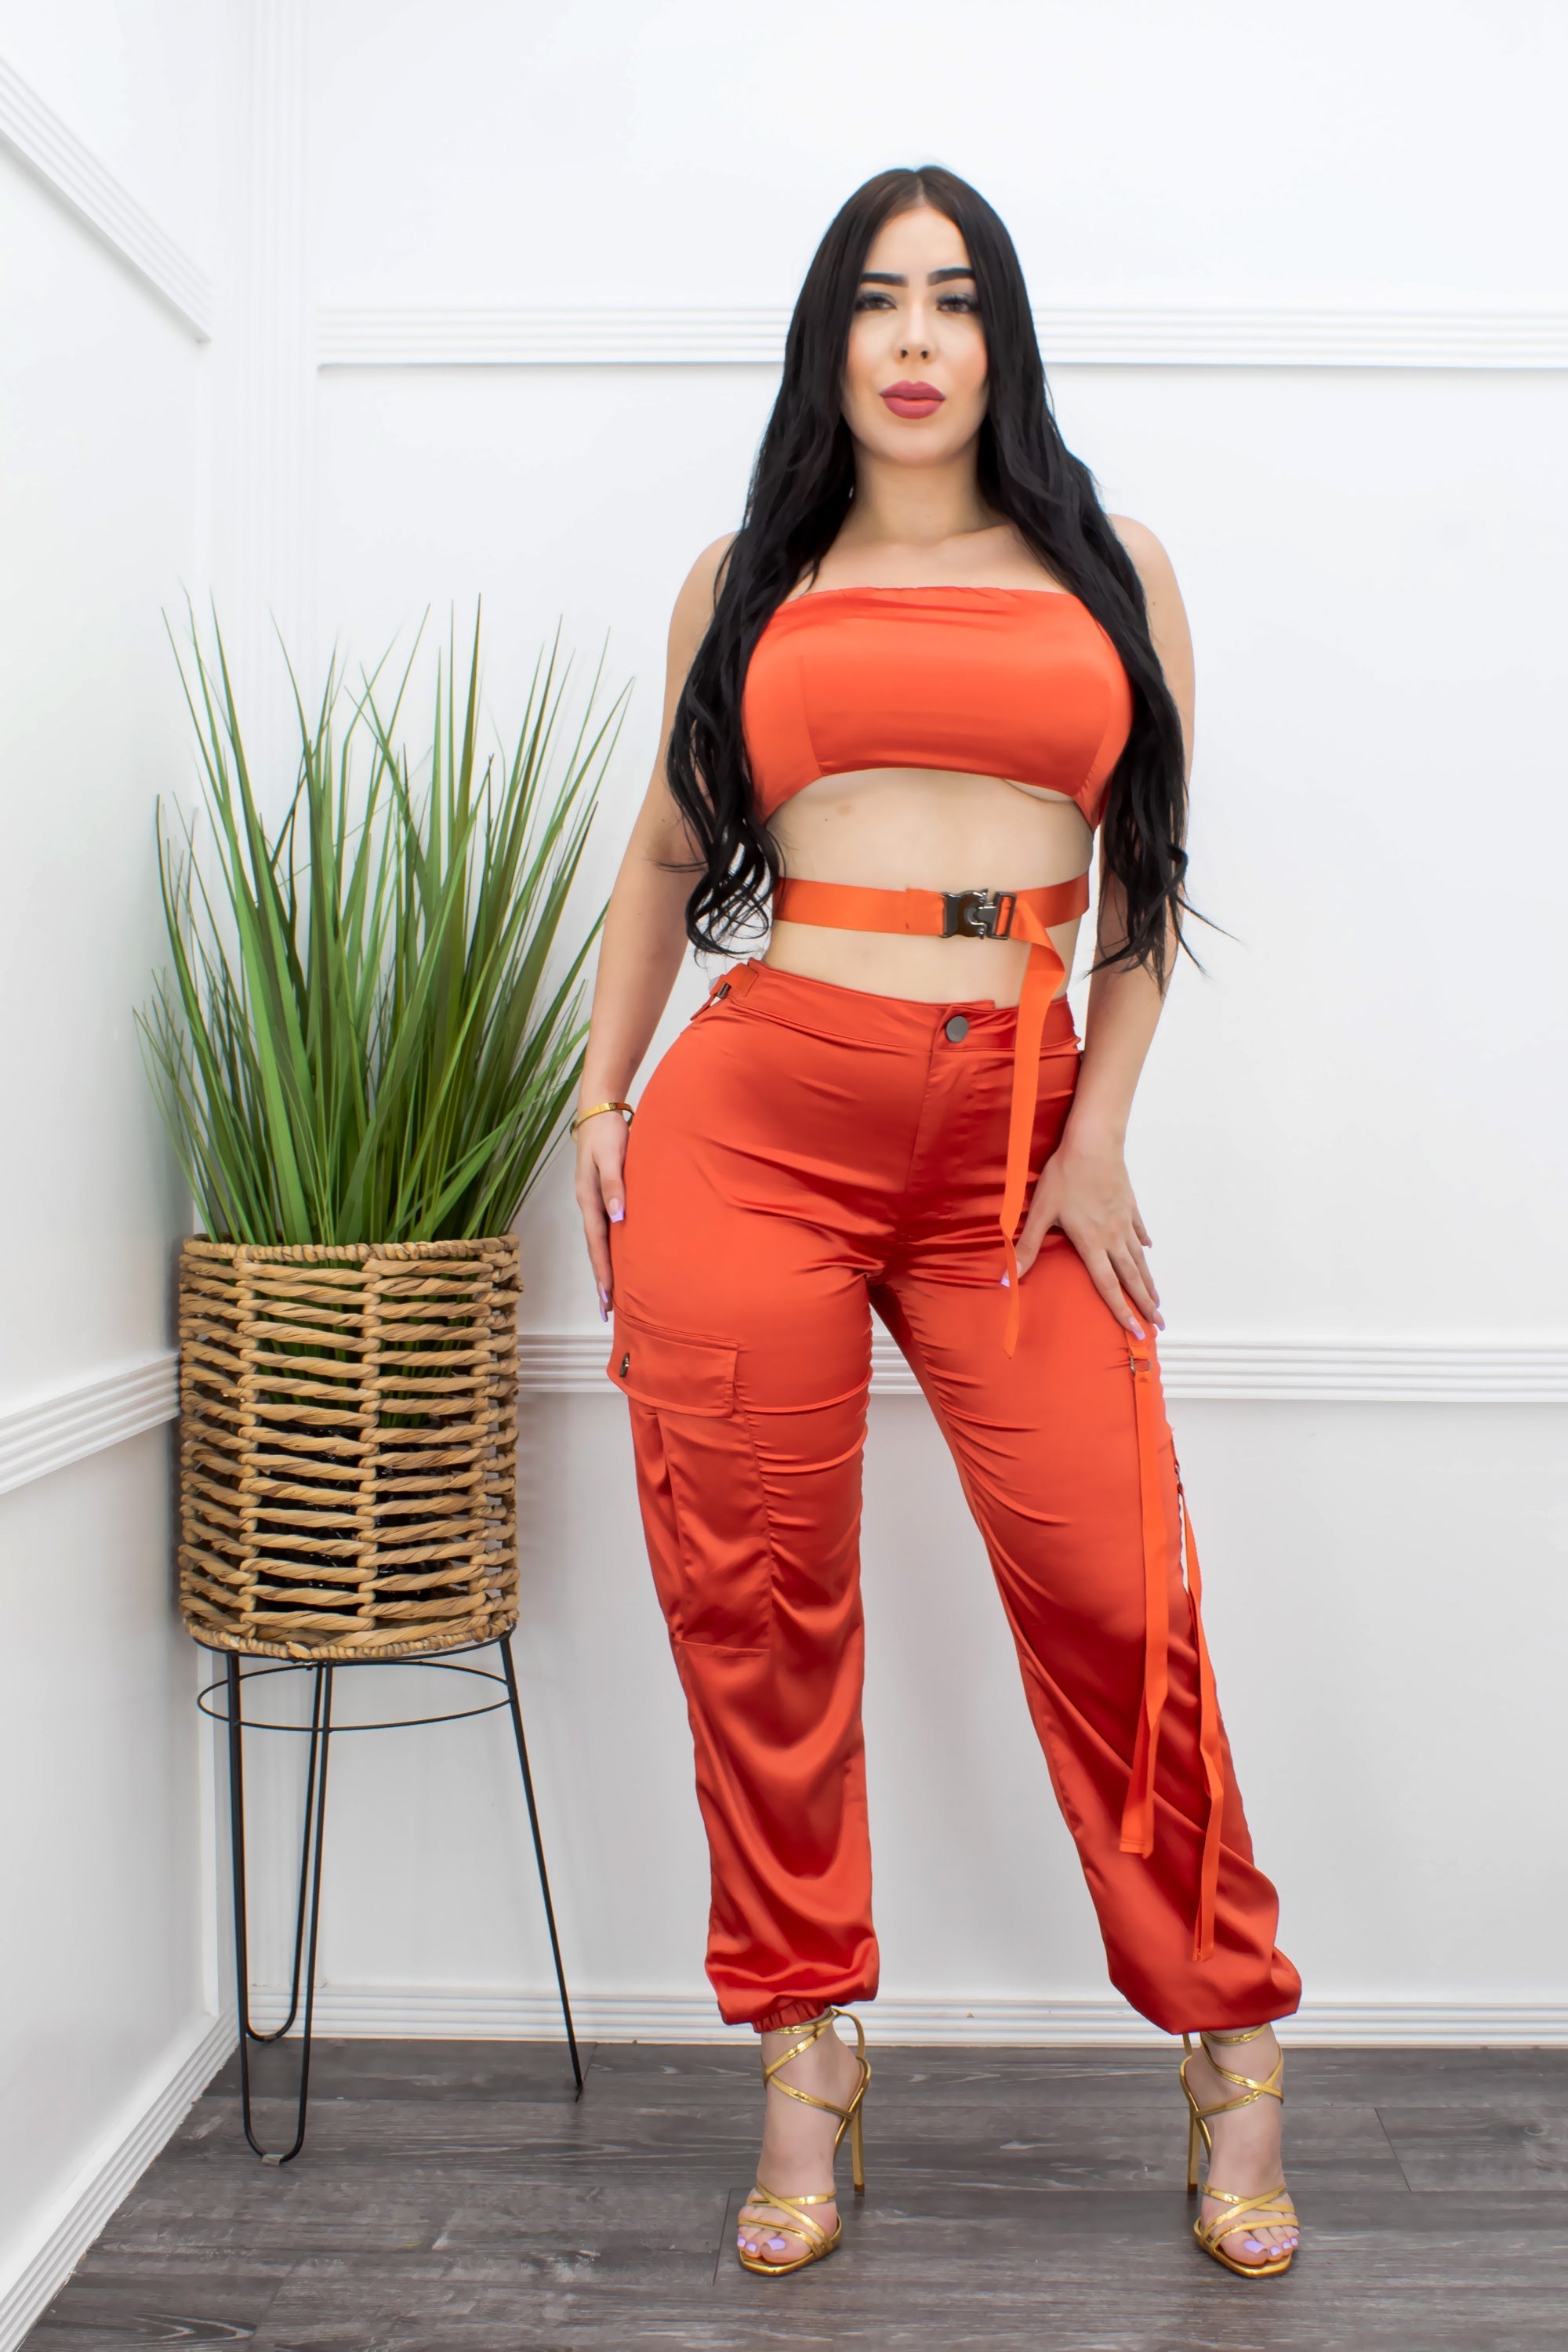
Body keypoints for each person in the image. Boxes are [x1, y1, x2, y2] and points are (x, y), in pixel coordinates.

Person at [572, 164, 1301, 2281]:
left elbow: (1146, 885)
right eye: (878, 300)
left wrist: (1098, 1134)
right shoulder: (745, 578)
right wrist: (601, 1096)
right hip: (757, 1118)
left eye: (955, 299)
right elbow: (661, 859)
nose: (913, 338)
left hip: (1018, 1137)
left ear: (1002, 340)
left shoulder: (1112, 572)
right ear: (831, 340)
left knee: (1116, 1594)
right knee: (757, 1609)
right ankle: (806, 2056)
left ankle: (1231, 2039)